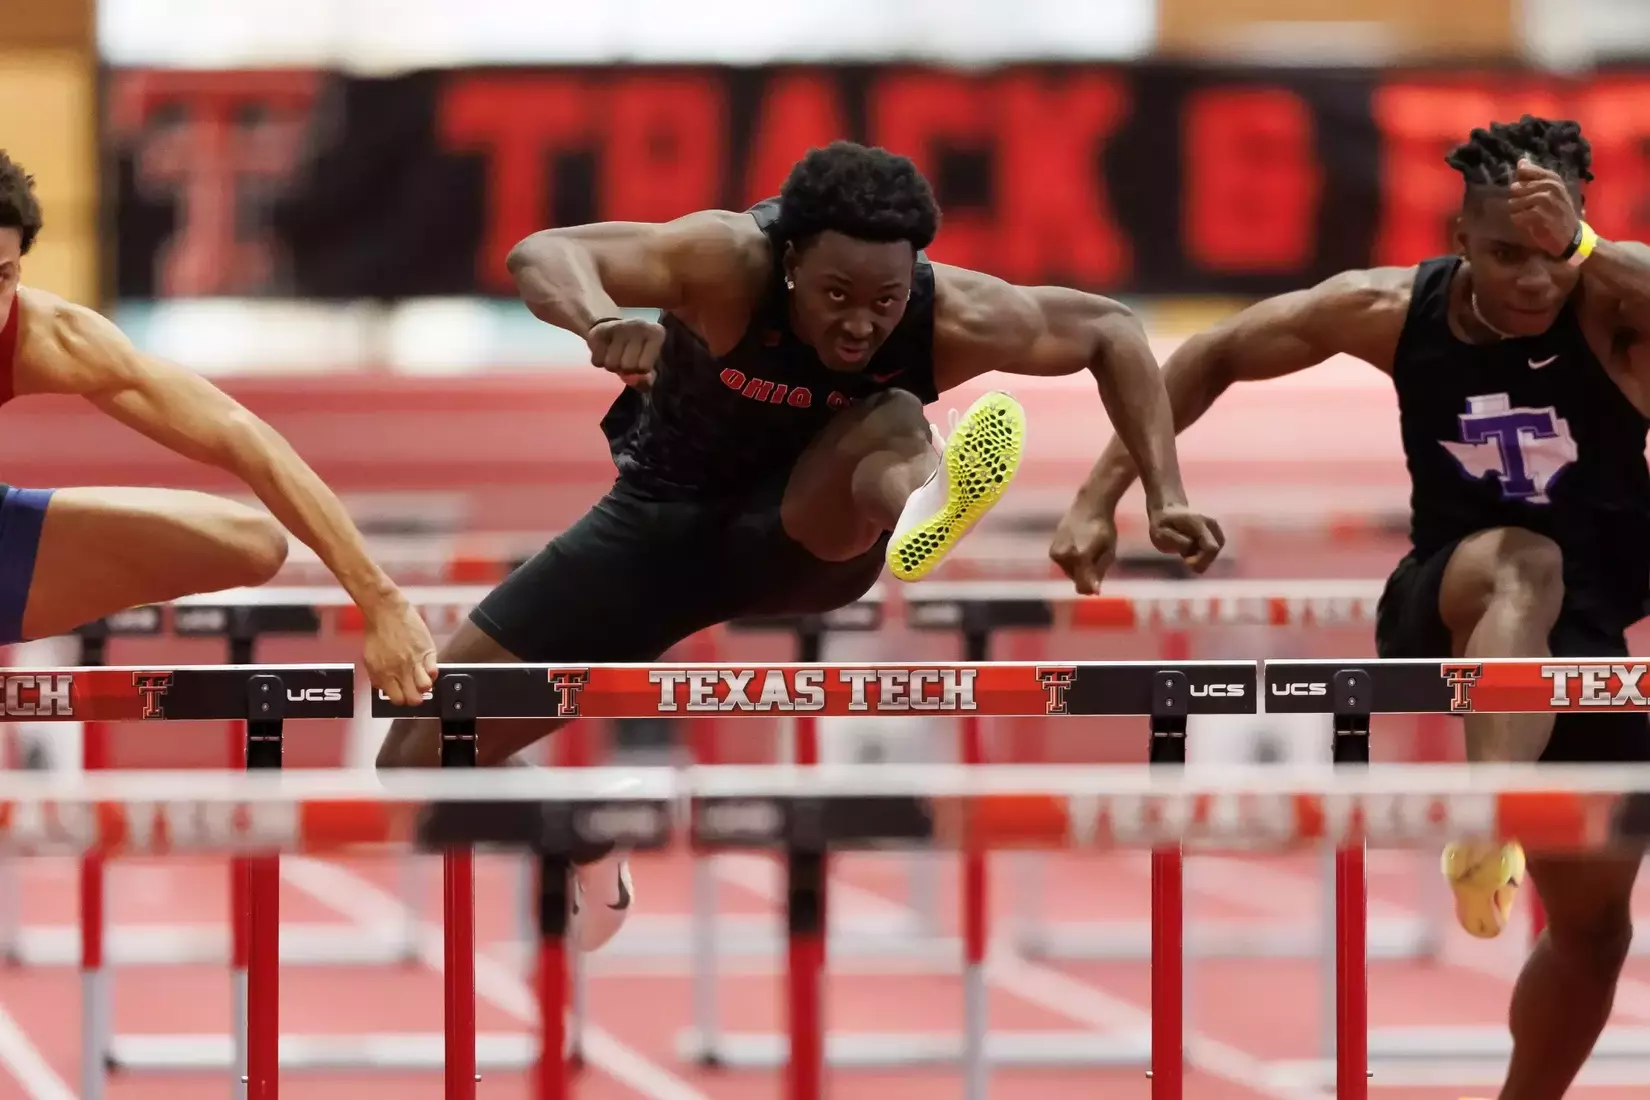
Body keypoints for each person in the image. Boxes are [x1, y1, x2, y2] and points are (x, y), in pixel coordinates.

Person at [378, 140, 1224, 951]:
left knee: (888, 417)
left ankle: (924, 500)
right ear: (788, 265)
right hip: (654, 531)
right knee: (416, 756)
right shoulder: (723, 260)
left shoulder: (951, 315)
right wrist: (602, 320)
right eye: (836, 295)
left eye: (885, 300)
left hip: (806, 540)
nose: (861, 323)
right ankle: (584, 834)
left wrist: (1164, 492)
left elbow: (1111, 329)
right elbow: (543, 252)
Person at [1055, 115, 1649, 1100]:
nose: (1535, 281)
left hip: (1591, 620)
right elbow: (1214, 351)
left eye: (1556, 251)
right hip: (1449, 595)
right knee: (1520, 563)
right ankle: (1486, 812)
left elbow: (1592, 269)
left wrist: (1580, 246)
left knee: (1592, 932)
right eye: (1506, 254)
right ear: (1459, 241)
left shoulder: (1613, 303)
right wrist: (1109, 492)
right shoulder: (1389, 310)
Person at [0, 151, 438, 706]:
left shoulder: (46, 338)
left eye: (3, 275)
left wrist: (382, 602)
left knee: (252, 544)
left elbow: (240, 433)